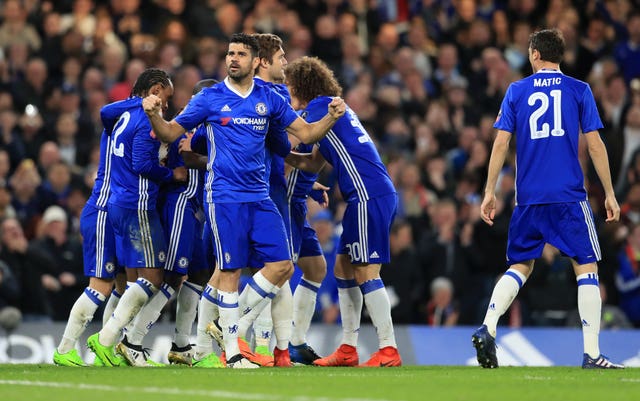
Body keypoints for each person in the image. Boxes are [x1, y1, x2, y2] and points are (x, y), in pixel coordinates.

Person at [142, 33, 345, 368]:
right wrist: (153, 115)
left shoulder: (270, 98)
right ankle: (235, 351)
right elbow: (170, 134)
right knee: (230, 272)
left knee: (283, 266)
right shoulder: (210, 98)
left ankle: (229, 327)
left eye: (240, 54)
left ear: (255, 62)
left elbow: (306, 135)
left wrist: (330, 118)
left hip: (260, 197)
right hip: (224, 198)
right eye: (229, 53)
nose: (232, 59)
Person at [473, 29, 624, 369]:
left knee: (520, 265)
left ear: (535, 55)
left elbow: (499, 143)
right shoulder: (578, 90)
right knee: (586, 266)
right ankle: (592, 353)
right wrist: (610, 193)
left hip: (528, 198)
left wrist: (489, 191)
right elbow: (595, 144)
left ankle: (488, 326)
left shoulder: (516, 90)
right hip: (568, 196)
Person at [285, 56, 402, 367]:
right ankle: (348, 348)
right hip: (364, 196)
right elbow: (311, 162)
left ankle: (388, 348)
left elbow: (297, 135)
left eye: (288, 85)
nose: (286, 91)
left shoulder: (318, 109)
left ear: (300, 86)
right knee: (343, 269)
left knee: (366, 271)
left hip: (367, 194)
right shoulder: (332, 111)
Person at [86, 68, 185, 367]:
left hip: (119, 201)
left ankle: (124, 346)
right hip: (137, 203)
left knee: (131, 280)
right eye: (165, 98)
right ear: (155, 90)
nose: (166, 106)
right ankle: (107, 339)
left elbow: (104, 112)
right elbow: (142, 163)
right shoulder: (145, 119)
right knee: (153, 277)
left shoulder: (124, 115)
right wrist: (173, 174)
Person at [52, 97, 131, 366]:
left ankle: (104, 349)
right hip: (102, 212)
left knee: (122, 284)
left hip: (115, 213)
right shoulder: (124, 125)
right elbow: (106, 111)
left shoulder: (119, 125)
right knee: (100, 286)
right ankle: (64, 349)